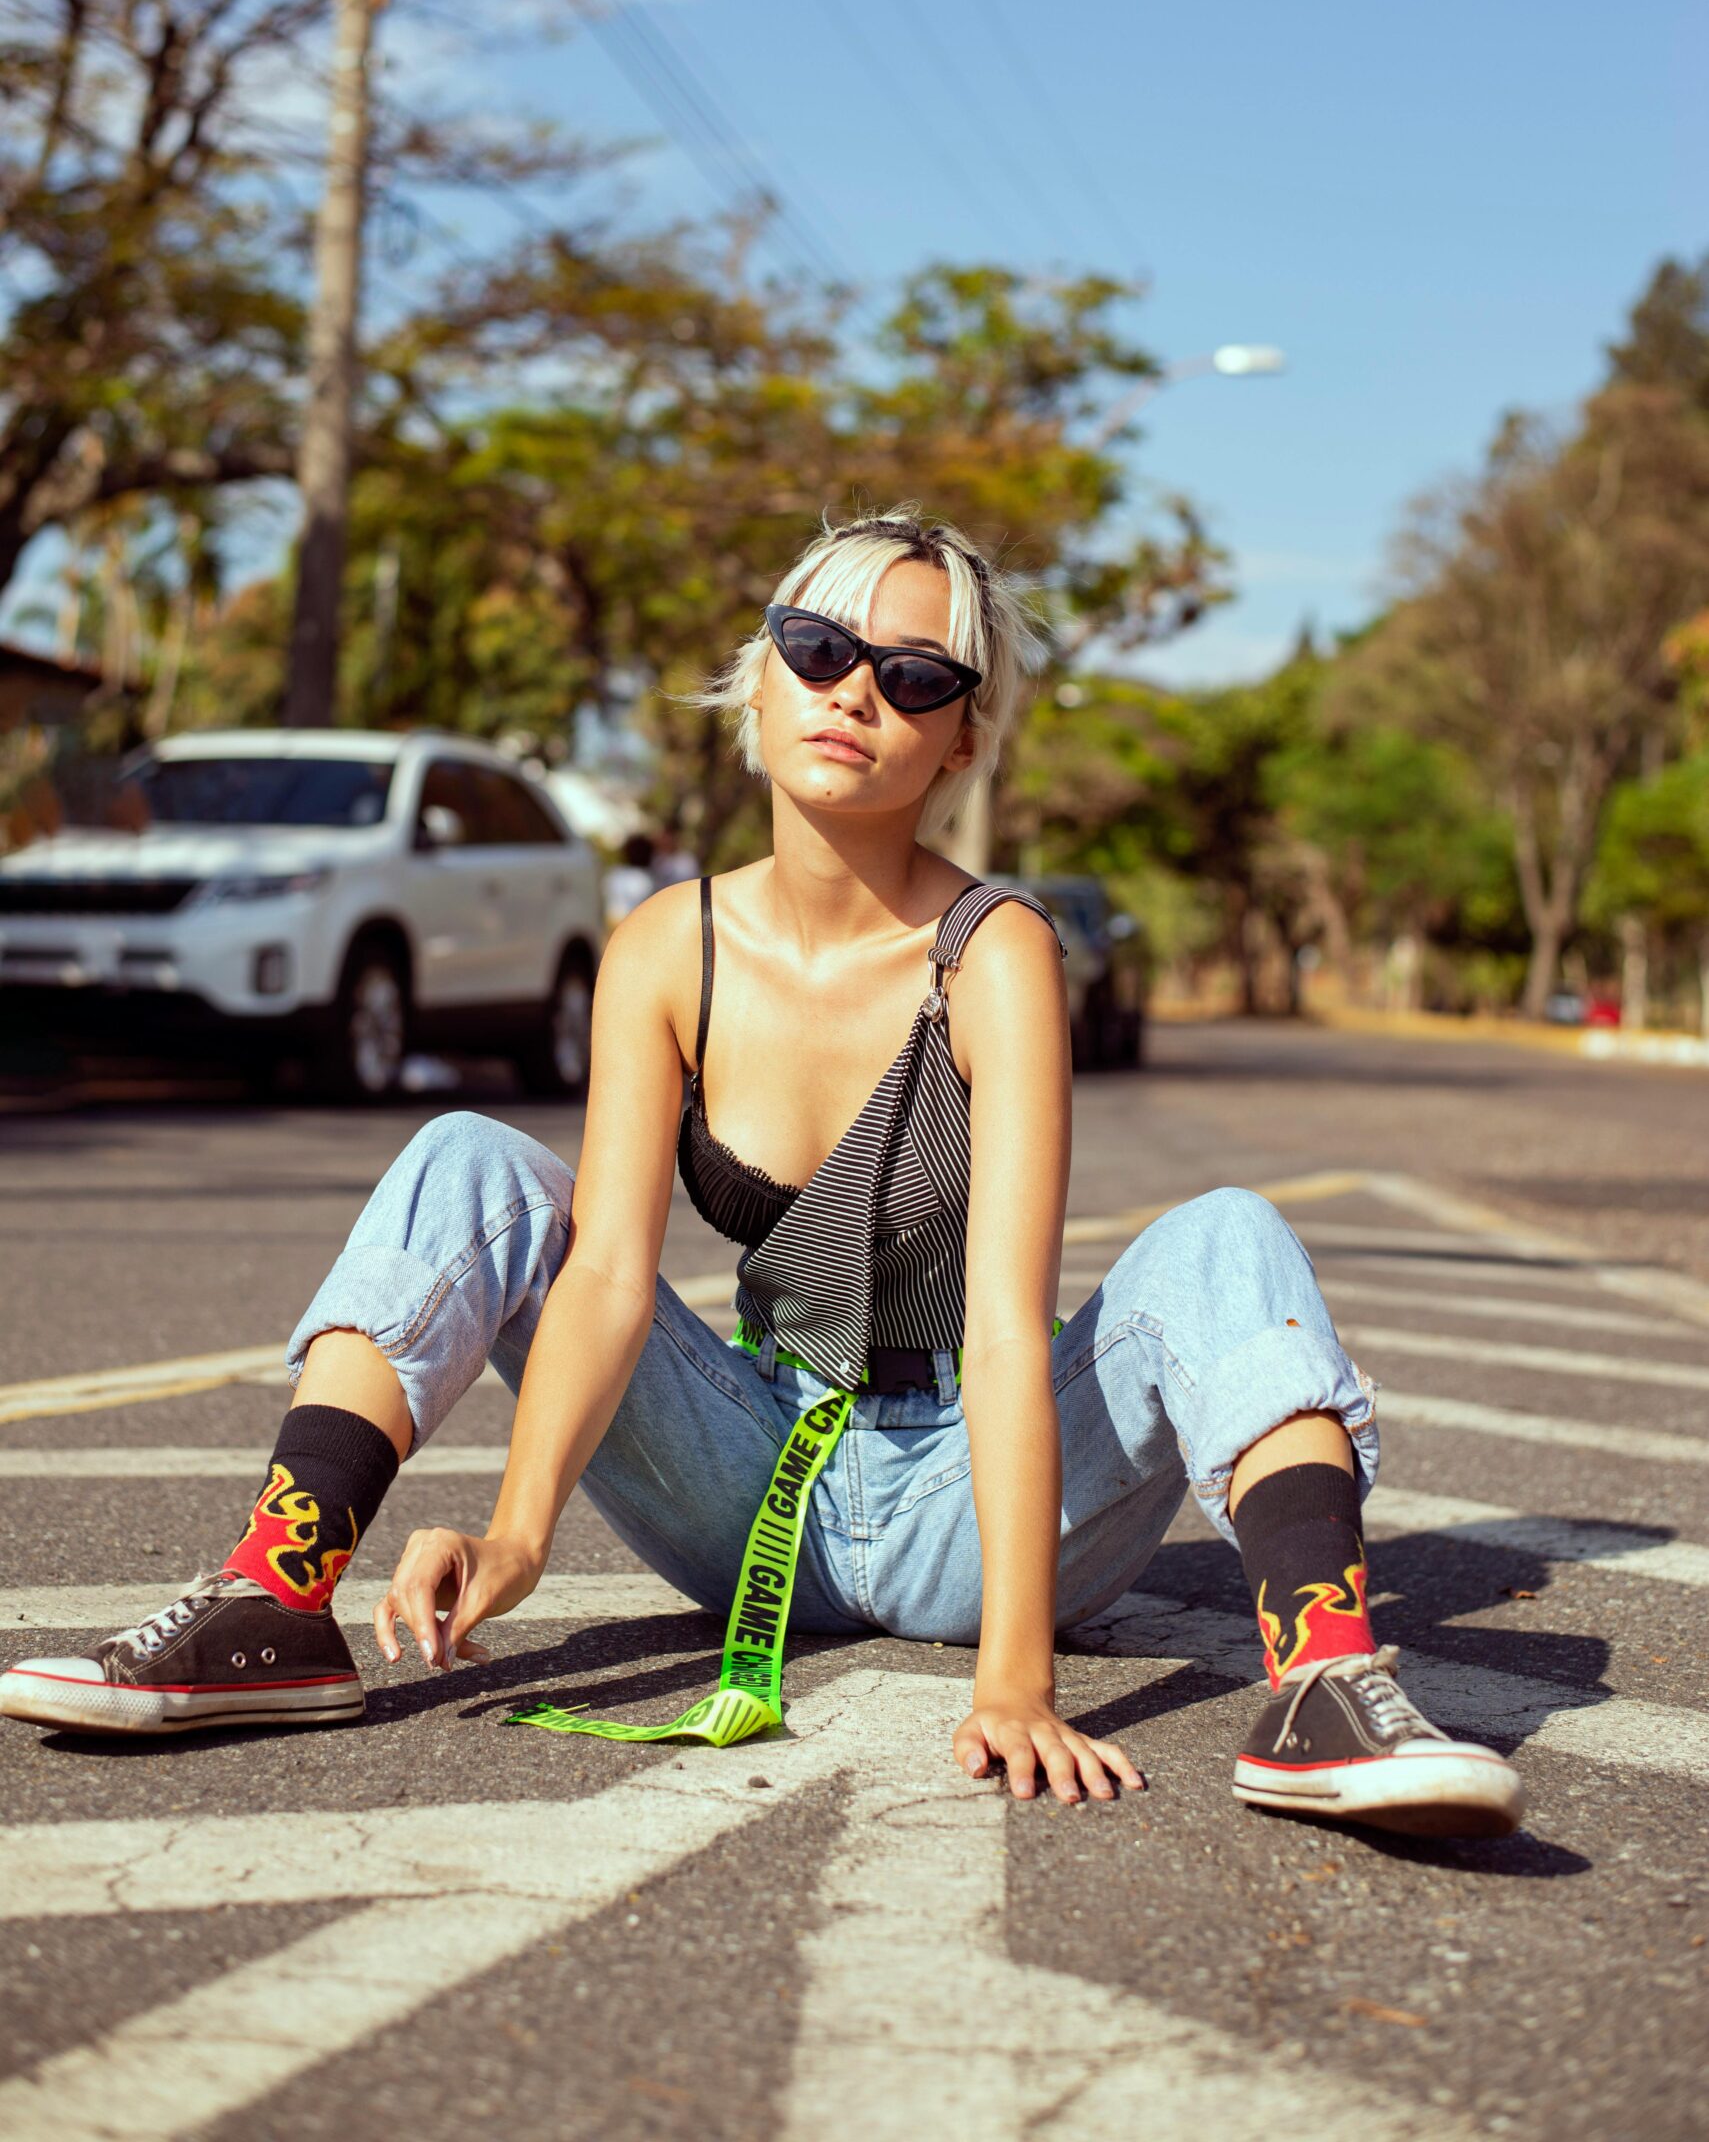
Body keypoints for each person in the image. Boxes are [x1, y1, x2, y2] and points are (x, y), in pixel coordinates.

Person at [1, 509, 1523, 1834]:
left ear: (961, 737)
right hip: (744, 1504)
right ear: (762, 671)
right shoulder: (668, 945)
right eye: (818, 646)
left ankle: (1323, 1677)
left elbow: (1006, 1325)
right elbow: (602, 1269)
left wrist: (1013, 1675)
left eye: (915, 675)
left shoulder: (993, 955)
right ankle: (276, 1600)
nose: (855, 691)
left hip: (963, 1519)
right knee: (472, 1157)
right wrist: (519, 1536)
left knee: (1221, 1237)